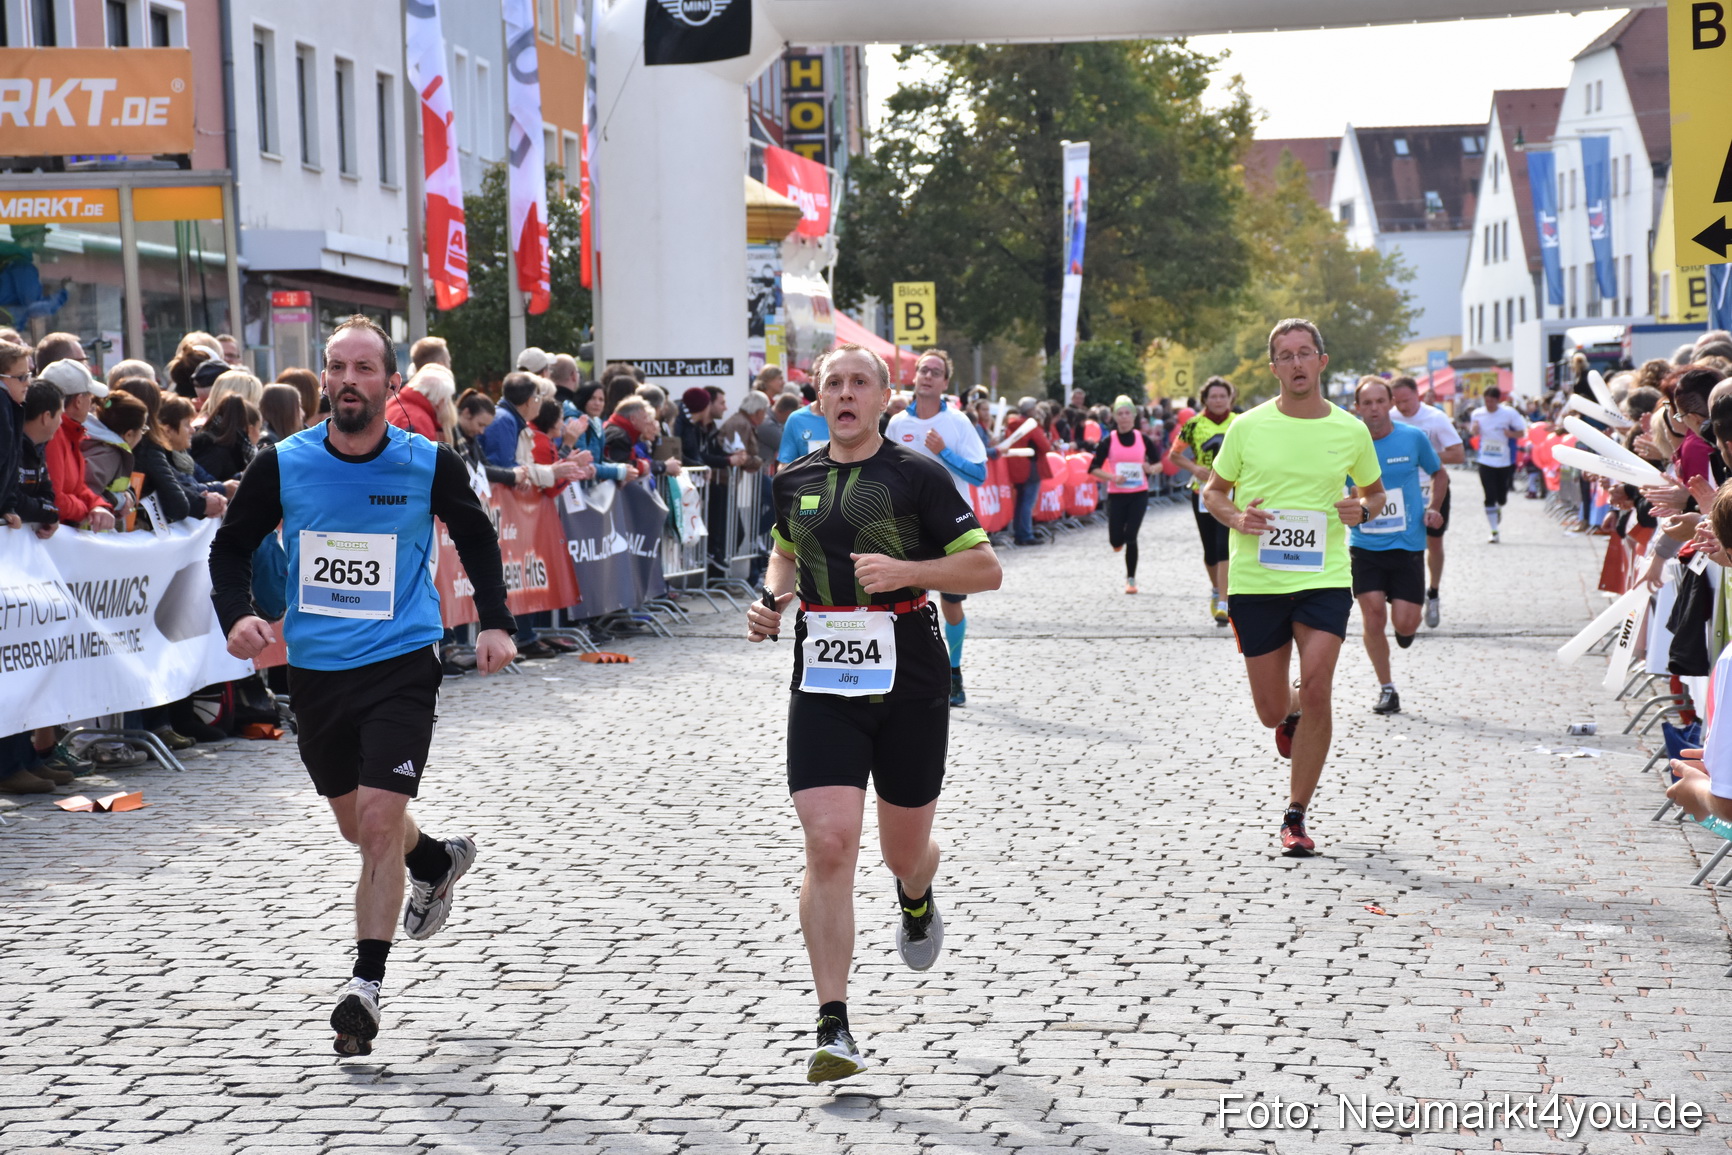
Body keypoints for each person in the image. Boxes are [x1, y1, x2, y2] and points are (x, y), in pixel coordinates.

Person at [209, 316, 517, 1057]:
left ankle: (364, 987)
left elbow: (475, 533)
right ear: (323, 378)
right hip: (316, 672)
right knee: (359, 826)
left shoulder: (425, 461)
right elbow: (232, 545)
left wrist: (497, 622)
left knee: (379, 821)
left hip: (402, 663)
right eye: (336, 368)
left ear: (390, 382)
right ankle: (436, 862)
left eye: (363, 369)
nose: (349, 381)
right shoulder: (284, 462)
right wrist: (238, 615)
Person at [744, 343, 1001, 1084]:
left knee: (900, 852)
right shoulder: (793, 478)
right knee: (828, 843)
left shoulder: (918, 474)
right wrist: (771, 599)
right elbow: (785, 552)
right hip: (823, 673)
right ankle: (834, 1023)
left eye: (861, 382)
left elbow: (985, 567)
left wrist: (909, 571)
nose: (847, 392)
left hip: (911, 668)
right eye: (834, 383)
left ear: (885, 396)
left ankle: (916, 894)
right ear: (818, 399)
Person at [1202, 319, 1383, 858]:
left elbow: (1373, 495)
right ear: (1274, 366)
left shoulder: (1350, 430)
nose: (1297, 363)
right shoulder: (1247, 428)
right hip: (1257, 581)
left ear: (1322, 362)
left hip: (1324, 576)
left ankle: (1296, 814)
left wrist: (1362, 510)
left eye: (1306, 353)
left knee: (1322, 683)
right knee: (1270, 708)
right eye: (1286, 355)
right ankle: (1292, 712)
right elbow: (1214, 493)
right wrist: (1236, 518)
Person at [885, 349, 989, 705]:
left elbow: (979, 473)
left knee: (951, 604)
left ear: (945, 382)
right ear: (914, 377)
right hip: (908, 526)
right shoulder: (898, 423)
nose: (927, 376)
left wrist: (944, 451)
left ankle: (954, 672)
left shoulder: (958, 422)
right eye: (922, 370)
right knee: (906, 601)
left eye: (935, 372)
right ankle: (911, 676)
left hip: (951, 526)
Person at [1348, 379, 1446, 715]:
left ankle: (1405, 632)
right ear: (1357, 407)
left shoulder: (1413, 437)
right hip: (1365, 544)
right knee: (1373, 616)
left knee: (1405, 623)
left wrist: (1434, 507)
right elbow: (1339, 488)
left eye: (1380, 401)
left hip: (1407, 545)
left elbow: (1439, 473)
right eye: (1367, 402)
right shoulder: (1350, 444)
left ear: (1390, 403)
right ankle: (1387, 688)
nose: (1374, 408)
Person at [1389, 375, 1464, 628]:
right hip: (1402, 492)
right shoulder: (1390, 418)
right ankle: (1408, 596)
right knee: (1404, 545)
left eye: (1406, 401)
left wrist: (1423, 455)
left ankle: (1433, 591)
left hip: (1434, 487)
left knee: (1434, 543)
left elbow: (1458, 453)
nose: (1402, 407)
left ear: (1417, 396)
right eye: (1397, 402)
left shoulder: (1435, 418)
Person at [1167, 376, 1237, 624]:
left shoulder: (1239, 422)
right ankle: (1217, 589)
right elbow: (1174, 455)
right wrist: (1194, 468)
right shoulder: (1194, 424)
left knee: (1223, 546)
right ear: (1205, 399)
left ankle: (1224, 602)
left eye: (1223, 396)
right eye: (1213, 396)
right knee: (1209, 550)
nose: (1218, 400)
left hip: (1232, 493)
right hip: (1202, 493)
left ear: (1230, 398)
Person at [1089, 395, 1161, 595]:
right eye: (1120, 413)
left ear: (1134, 415)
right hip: (1117, 495)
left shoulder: (1143, 438)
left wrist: (1150, 468)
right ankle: (1117, 543)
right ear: (1114, 417)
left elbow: (1159, 464)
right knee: (1115, 540)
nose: (1124, 417)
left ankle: (1131, 579)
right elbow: (1092, 468)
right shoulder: (1108, 440)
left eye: (1127, 413)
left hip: (1139, 493)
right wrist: (1111, 477)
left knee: (1131, 536)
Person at [38, 358, 115, 531]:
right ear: (79, 400)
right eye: (91, 397)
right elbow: (55, 498)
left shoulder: (69, 432)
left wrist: (97, 505)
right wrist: (87, 509)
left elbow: (78, 487)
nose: (92, 405)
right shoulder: (54, 434)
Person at [1468, 386, 1527, 543]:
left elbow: (1522, 433)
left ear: (1498, 400)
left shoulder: (1509, 413)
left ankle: (1498, 507)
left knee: (1502, 497)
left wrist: (1511, 434)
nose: (1489, 404)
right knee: (1489, 495)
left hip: (1504, 460)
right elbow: (1474, 432)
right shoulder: (1477, 413)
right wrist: (1474, 429)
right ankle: (1494, 530)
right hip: (1485, 459)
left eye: (1492, 401)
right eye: (1486, 401)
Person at [1005, 397, 1056, 546]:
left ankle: (1019, 534)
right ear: (1030, 410)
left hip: (1017, 467)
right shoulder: (1030, 425)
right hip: (1031, 468)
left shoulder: (1012, 424)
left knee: (1020, 503)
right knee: (1027, 503)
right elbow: (1045, 446)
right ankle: (1026, 534)